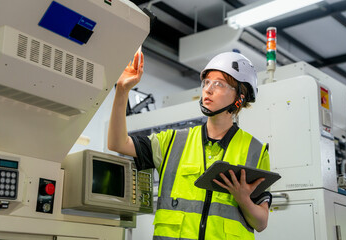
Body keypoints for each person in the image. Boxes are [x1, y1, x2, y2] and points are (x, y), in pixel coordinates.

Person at [108, 51, 271, 240]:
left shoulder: (255, 151)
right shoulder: (171, 142)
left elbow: (261, 222)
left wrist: (243, 199)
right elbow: (117, 143)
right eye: (207, 82)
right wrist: (122, 90)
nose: (208, 89)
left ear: (240, 97)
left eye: (218, 84)